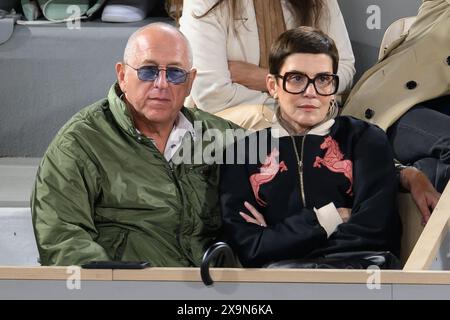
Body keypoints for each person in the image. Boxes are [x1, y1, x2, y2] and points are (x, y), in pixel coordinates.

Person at [31, 22, 235, 266]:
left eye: (174, 73)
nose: (161, 83)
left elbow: (279, 172)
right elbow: (62, 238)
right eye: (148, 71)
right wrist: (117, 287)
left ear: (190, 81)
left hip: (216, 291)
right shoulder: (80, 143)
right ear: (122, 75)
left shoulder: (222, 137)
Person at [219, 27, 401, 268]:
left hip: (360, 275)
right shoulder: (242, 153)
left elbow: (377, 232)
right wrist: (329, 218)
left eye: (323, 80)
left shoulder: (366, 140)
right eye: (297, 78)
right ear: (273, 85)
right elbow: (249, 248)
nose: (311, 92)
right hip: (280, 284)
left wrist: (279, 241)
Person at [177, 0, 355, 129]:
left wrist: (265, 78)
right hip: (229, 126)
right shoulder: (204, 3)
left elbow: (345, 68)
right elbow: (213, 95)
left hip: (308, 118)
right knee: (264, 120)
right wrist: (298, 102)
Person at [342, 0, 449, 195]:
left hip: (434, 125)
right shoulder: (442, 6)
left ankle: (401, 177)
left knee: (434, 171)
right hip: (392, 111)